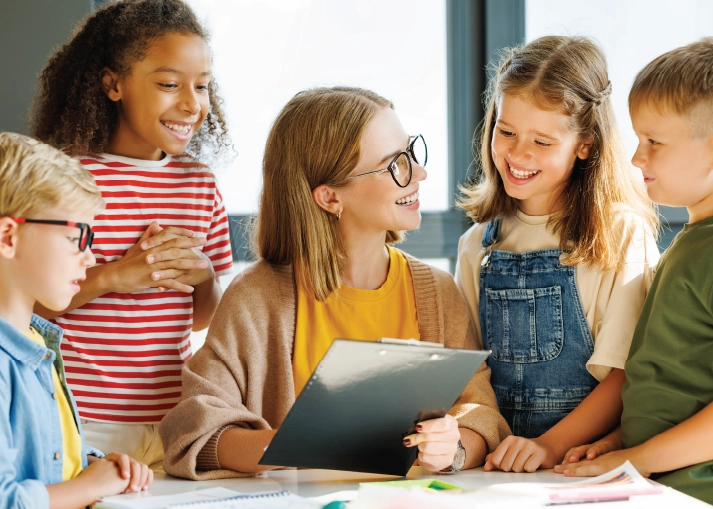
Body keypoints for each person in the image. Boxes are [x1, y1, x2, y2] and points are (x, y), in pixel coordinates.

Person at [159, 86, 510, 479]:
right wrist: (315, 441)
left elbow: (481, 413)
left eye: (411, 152)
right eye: (396, 164)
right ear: (329, 197)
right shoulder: (255, 300)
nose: (420, 173)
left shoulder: (438, 291)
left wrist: (455, 447)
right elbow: (193, 433)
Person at [29, 0, 234, 469]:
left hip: (172, 423)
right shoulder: (66, 176)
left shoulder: (200, 185)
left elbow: (203, 319)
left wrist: (204, 275)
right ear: (113, 84)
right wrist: (117, 276)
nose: (192, 103)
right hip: (82, 419)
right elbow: (28, 305)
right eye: (169, 84)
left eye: (202, 86)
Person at [455, 35, 660, 473]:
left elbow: (625, 375)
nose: (518, 153)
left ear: (584, 145)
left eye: (543, 142)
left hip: (576, 467)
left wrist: (547, 446)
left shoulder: (622, 235)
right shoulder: (477, 244)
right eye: (505, 131)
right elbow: (470, 379)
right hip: (494, 469)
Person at [554, 38, 713, 504]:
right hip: (657, 485)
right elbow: (674, 381)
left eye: (654, 142)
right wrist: (620, 442)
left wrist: (636, 459)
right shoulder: (689, 246)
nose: (636, 158)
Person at [0, 132, 153, 508]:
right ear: (8, 236)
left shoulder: (37, 341)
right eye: (76, 238)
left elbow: (47, 454)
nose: (89, 258)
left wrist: (95, 464)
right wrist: (90, 487)